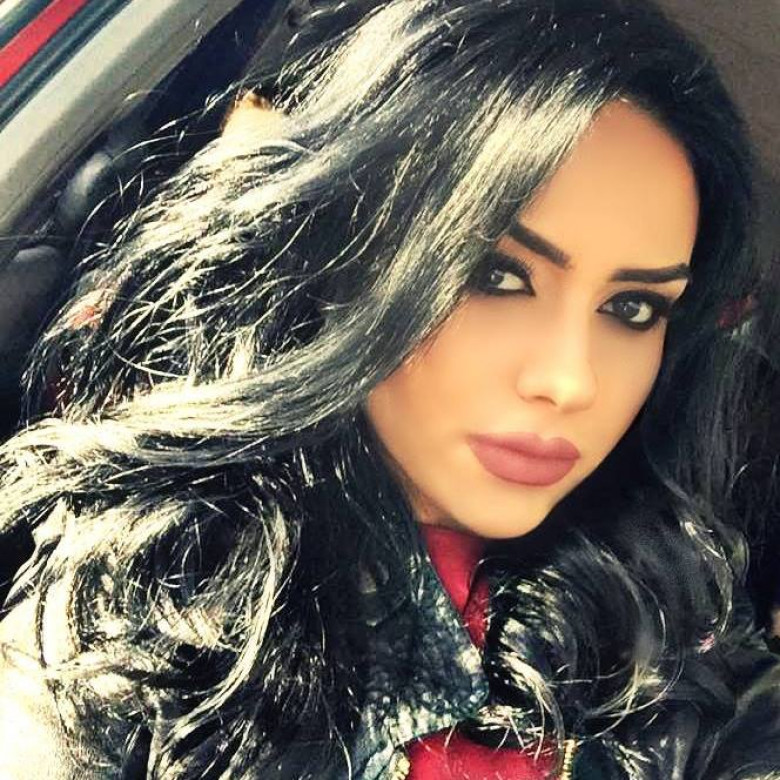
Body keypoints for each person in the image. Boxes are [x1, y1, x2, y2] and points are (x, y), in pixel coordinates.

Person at [0, 0, 779, 777]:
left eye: (631, 309)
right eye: (495, 276)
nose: (570, 381)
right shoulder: (128, 647)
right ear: (338, 257)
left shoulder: (674, 616)